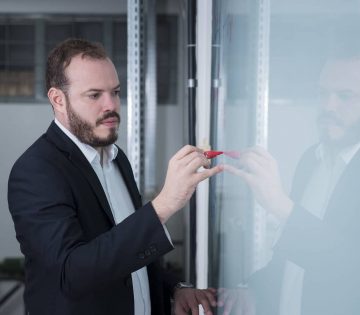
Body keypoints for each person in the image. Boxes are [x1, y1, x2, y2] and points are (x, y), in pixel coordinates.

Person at [7, 38, 223, 315]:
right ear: (58, 100)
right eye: (94, 95)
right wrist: (164, 204)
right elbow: (72, 274)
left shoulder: (115, 158)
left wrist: (175, 288)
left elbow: (128, 248)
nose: (111, 105)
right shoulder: (36, 171)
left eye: (116, 92)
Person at [224, 50, 360, 314]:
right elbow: (291, 258)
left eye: (345, 96)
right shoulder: (311, 160)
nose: (329, 106)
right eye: (322, 94)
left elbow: (351, 266)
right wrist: (249, 289)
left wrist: (280, 205)